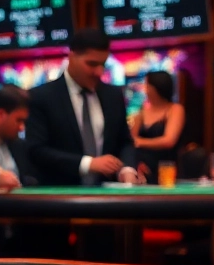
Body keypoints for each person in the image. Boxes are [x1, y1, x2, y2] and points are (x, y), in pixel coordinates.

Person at [25, 29, 141, 186]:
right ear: (72, 57)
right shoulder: (41, 97)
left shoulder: (113, 95)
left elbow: (125, 142)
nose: (99, 72)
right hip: (59, 198)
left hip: (108, 198)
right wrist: (87, 164)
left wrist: (127, 170)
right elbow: (36, 151)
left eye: (103, 65)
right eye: (92, 64)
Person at [131, 71, 184, 178]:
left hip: (166, 166)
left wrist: (140, 142)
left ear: (156, 87)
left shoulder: (175, 109)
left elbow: (169, 141)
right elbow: (131, 140)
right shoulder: (142, 111)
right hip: (142, 166)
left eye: (146, 85)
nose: (144, 89)